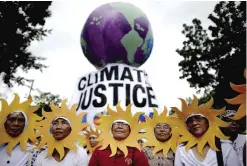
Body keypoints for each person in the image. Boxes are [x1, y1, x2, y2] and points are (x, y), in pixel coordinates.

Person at [173, 96, 241, 166]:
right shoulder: (182, 149)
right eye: (190, 121)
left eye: (198, 118)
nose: (194, 123)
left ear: (207, 122)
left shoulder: (225, 146)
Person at [34, 100, 89, 166]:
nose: (58, 127)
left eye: (64, 123)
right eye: (55, 123)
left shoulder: (80, 154)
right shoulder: (42, 156)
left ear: (71, 129)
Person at [0, 94, 40, 166]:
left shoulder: (33, 151)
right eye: (11, 119)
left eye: (21, 120)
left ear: (26, 125)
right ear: (5, 123)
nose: (16, 124)